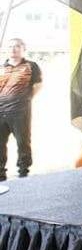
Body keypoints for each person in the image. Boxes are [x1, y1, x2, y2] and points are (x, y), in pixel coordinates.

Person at [0, 38, 42, 180]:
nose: (14, 49)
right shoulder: (2, 67)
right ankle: (0, 173)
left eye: (17, 46)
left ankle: (24, 171)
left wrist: (25, 99)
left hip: (20, 112)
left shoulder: (31, 66)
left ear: (23, 49)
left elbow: (38, 85)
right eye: (11, 46)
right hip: (1, 112)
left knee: (23, 142)